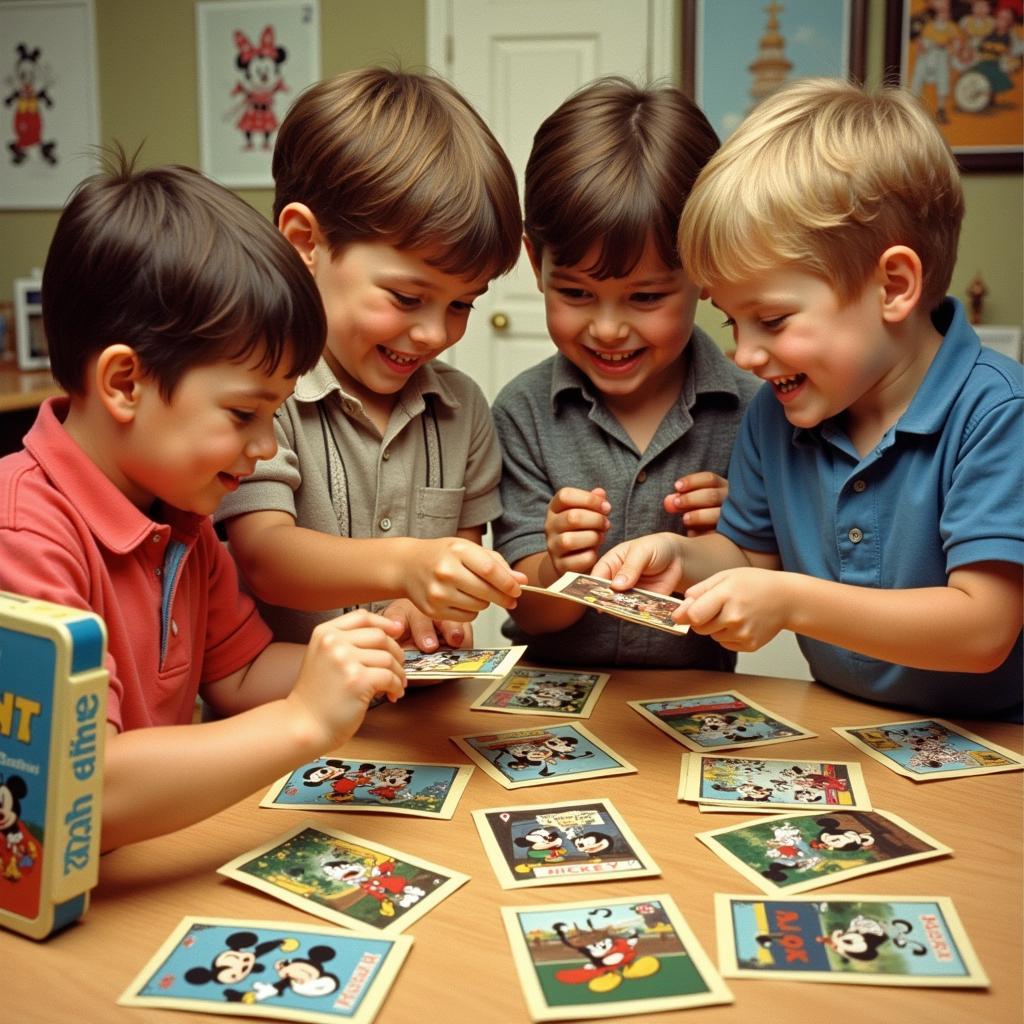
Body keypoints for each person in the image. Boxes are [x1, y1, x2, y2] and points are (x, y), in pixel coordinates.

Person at [0, 152, 408, 850]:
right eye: (245, 412)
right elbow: (77, 791)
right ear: (125, 382)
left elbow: (240, 673)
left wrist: (357, 657)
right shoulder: (22, 533)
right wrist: (302, 722)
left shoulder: (183, 521)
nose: (265, 446)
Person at [594, 78, 1023, 719]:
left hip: (994, 747)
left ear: (894, 286)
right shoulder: (776, 414)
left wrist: (790, 600)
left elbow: (983, 629)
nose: (743, 354)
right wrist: (679, 557)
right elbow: (745, 555)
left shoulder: (995, 414)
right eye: (731, 323)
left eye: (771, 319)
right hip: (844, 727)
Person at [215, 68, 526, 656]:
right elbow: (266, 557)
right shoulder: (258, 401)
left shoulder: (463, 412)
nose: (436, 333)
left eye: (462, 303)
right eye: (406, 298)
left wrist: (434, 601)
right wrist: (406, 565)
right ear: (306, 242)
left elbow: (459, 556)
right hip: (278, 720)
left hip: (414, 720)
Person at [490, 77, 760, 669]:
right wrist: (559, 564)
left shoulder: (755, 413)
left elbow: (763, 600)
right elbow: (530, 611)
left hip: (696, 717)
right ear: (537, 264)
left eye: (645, 297)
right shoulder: (523, 412)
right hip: (552, 716)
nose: (608, 329)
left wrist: (738, 538)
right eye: (577, 293)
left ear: (704, 268)